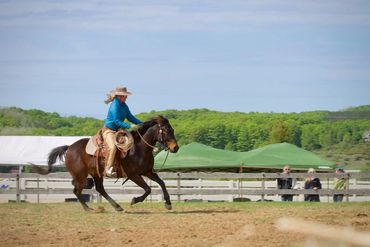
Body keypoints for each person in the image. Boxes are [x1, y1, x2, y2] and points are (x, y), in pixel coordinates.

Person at [103, 86, 142, 177]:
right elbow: (116, 121)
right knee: (113, 147)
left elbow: (130, 117)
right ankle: (108, 169)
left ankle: (125, 166)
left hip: (118, 130)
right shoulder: (114, 105)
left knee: (130, 143)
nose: (126, 97)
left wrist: (142, 124)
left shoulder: (124, 105)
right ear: (120, 96)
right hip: (109, 130)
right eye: (125, 96)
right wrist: (130, 126)